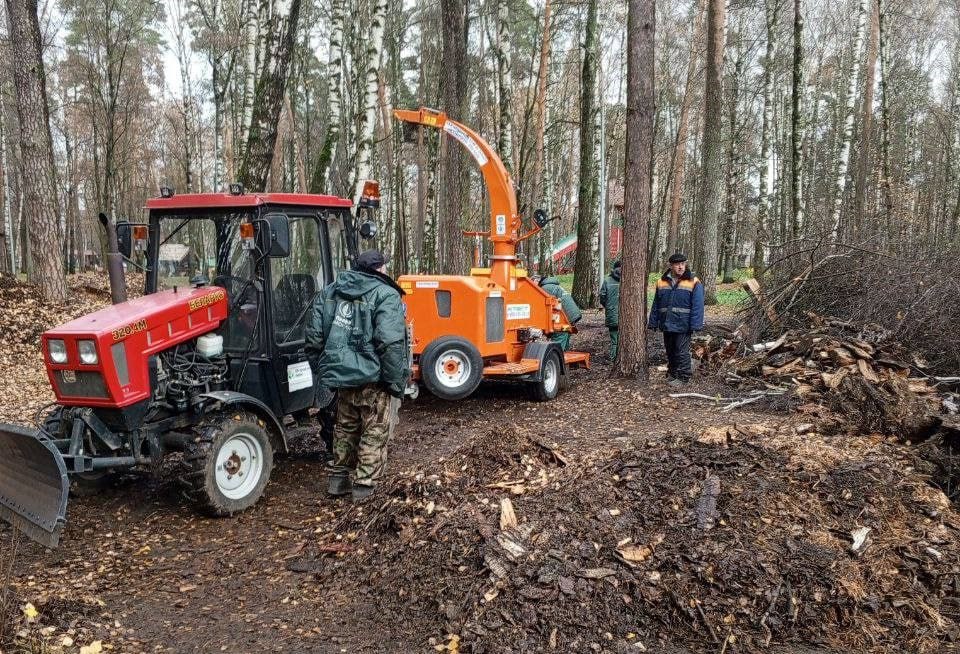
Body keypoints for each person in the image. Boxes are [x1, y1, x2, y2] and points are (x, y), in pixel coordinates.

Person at [305, 249, 409, 502]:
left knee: (345, 428)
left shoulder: (329, 292)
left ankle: (338, 481)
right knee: (374, 430)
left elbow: (314, 338)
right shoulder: (386, 294)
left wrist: (325, 370)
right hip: (374, 378)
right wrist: (395, 381)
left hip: (342, 376)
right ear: (380, 269)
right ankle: (364, 487)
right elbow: (390, 342)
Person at [648, 252, 704, 386]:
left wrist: (696, 325)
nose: (680, 267)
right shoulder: (661, 282)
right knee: (670, 350)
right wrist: (653, 322)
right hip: (667, 323)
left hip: (683, 324)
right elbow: (656, 304)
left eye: (683, 264)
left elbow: (698, 305)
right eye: (677, 264)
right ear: (671, 266)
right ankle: (672, 374)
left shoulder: (694, 281)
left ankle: (684, 377)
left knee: (681, 351)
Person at [538, 275, 582, 350]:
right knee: (565, 332)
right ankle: (564, 353)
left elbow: (542, 306)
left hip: (566, 315)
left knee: (559, 332)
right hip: (572, 314)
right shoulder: (553, 286)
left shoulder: (545, 288)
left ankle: (557, 354)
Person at [599, 261, 621, 359]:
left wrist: (608, 306)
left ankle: (614, 358)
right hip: (627, 316)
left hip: (612, 313)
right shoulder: (629, 279)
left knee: (614, 338)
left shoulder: (607, 281)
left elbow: (602, 296)